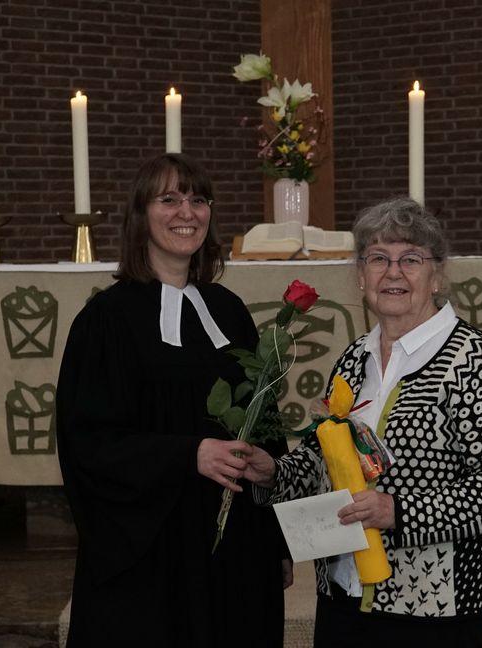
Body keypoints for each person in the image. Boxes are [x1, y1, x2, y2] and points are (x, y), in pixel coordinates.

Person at [243, 197, 482, 647]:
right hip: (343, 590)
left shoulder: (475, 362)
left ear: (437, 275)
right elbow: (323, 459)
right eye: (378, 258)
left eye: (411, 259)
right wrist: (274, 473)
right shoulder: (356, 358)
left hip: (437, 604)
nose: (392, 272)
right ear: (360, 275)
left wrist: (400, 512)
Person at [56, 153, 289, 647]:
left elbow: (262, 419)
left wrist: (276, 539)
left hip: (234, 544)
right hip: (151, 547)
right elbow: (88, 444)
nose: (187, 212)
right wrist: (190, 454)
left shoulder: (228, 310)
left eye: (198, 199)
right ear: (141, 215)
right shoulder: (107, 320)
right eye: (169, 199)